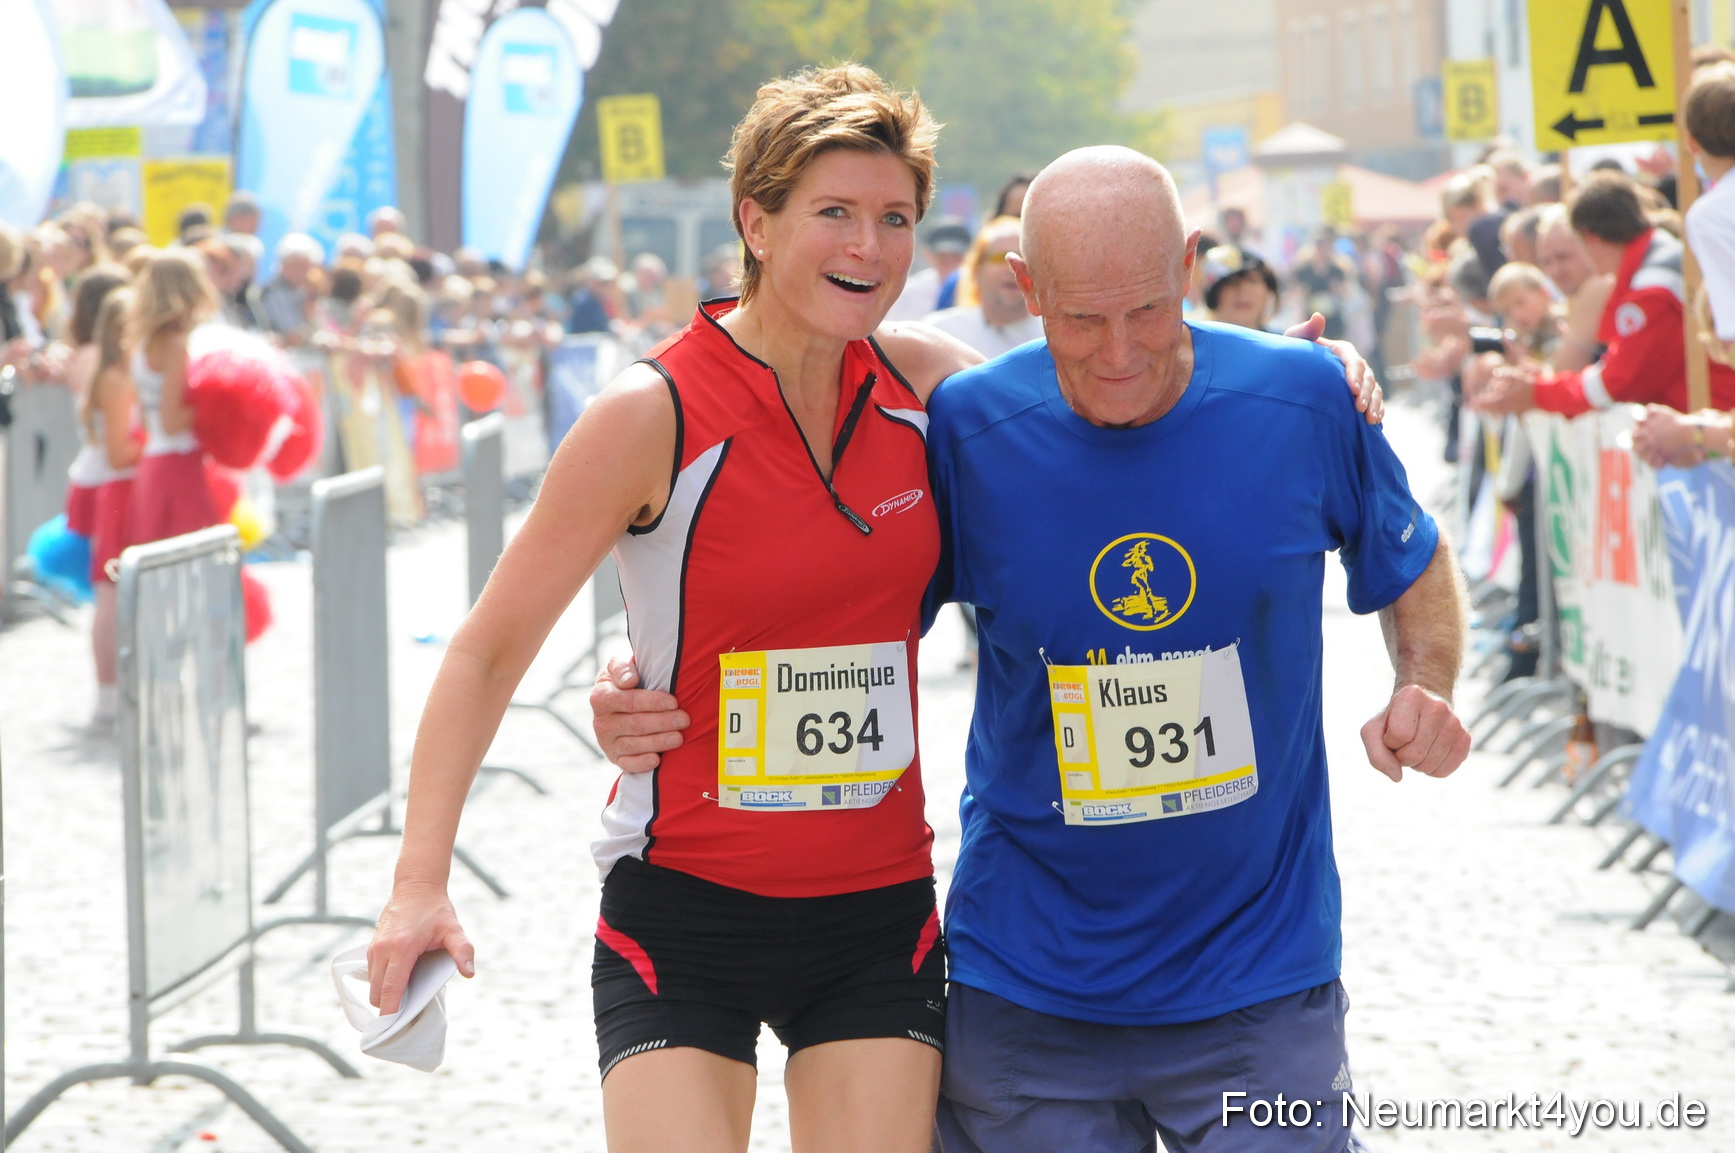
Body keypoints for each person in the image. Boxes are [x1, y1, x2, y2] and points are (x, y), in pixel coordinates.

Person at [369, 68, 1381, 1153]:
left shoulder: (937, 393)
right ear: (755, 222)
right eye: (834, 214)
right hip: (686, 905)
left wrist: (1304, 377)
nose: (868, 246)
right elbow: (485, 651)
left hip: (874, 911)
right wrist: (417, 883)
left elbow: (1114, 381)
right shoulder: (649, 411)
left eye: (894, 218)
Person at [591, 147, 1447, 1153]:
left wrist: (1424, 680)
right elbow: (833, 608)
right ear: (1025, 289)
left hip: (1257, 977)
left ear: (1190, 264)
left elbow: (1412, 560)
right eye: (1081, 320)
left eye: (1147, 310)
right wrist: (645, 680)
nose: (1119, 350)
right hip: (1028, 980)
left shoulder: (1301, 399)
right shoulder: (967, 423)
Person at [1476, 171, 1735, 419]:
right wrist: (1546, 382)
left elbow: (1616, 385)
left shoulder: (1650, 289)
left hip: (1714, 434)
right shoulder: (1657, 258)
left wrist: (1539, 391)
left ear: (1589, 238)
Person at [61, 267, 135, 729]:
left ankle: (110, 693)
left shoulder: (84, 354)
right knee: (109, 588)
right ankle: (108, 696)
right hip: (111, 475)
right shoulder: (102, 361)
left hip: (95, 471)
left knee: (107, 587)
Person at [125, 250, 222, 547]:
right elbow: (171, 422)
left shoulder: (140, 344)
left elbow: (147, 419)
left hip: (153, 464)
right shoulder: (176, 345)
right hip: (180, 467)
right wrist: (216, 405)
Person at [924, 217, 1041, 357]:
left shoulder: (1054, 336)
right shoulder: (938, 333)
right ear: (977, 269)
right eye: (1000, 258)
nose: (1013, 268)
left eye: (1024, 258)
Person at [885, 215, 971, 321]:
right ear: (927, 254)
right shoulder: (909, 292)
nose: (949, 261)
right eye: (942, 257)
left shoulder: (978, 290)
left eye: (956, 255)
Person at [1199, 244, 1279, 331]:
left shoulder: (1284, 342)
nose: (1243, 291)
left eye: (1252, 281)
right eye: (1232, 282)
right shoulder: (1190, 342)